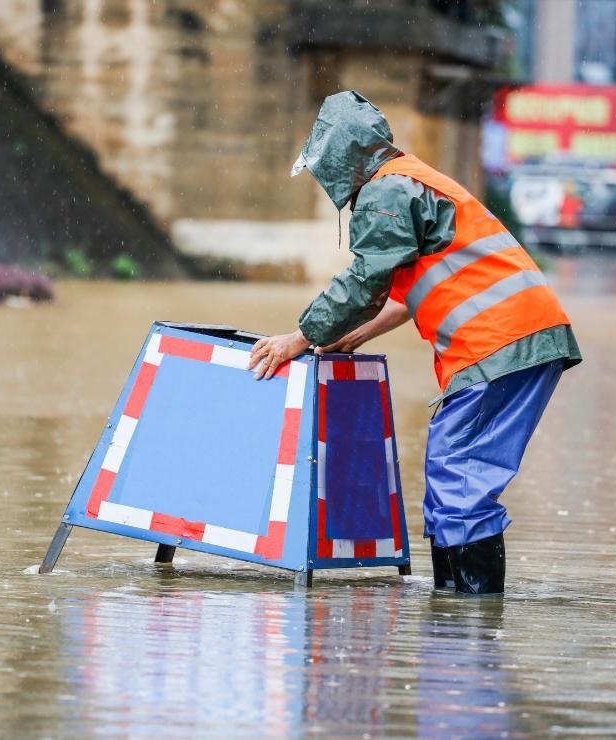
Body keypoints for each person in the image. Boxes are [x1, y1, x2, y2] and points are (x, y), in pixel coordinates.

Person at [248, 91, 582, 594]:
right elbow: (406, 294)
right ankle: (452, 613)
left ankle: (472, 622)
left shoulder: (386, 190)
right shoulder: (413, 179)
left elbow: (365, 280)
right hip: (516, 340)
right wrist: (351, 334)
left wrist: (300, 337)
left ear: (342, 156)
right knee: (451, 473)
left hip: (499, 344)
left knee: (460, 475)